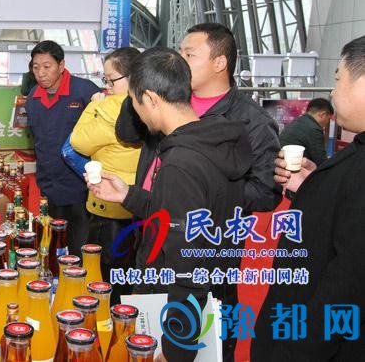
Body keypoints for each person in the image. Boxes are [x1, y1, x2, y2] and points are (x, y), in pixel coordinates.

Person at [89, 47, 251, 362]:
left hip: (179, 316)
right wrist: (129, 196)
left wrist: (176, 348)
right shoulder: (215, 143)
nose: (136, 112)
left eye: (134, 102)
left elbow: (186, 266)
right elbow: (190, 218)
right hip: (211, 296)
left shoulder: (181, 163)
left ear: (150, 98)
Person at [253, 36, 365, 361]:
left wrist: (295, 351)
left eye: (338, 79)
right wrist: (314, 185)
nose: (333, 93)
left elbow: (348, 282)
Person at [116, 23, 282, 215]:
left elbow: (266, 192)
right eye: (179, 52)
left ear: (219, 63)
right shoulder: (171, 97)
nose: (179, 60)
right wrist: (139, 87)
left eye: (189, 55)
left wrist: (196, 188)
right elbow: (127, 134)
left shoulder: (253, 121)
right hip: (146, 215)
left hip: (199, 225)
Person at [69, 46, 141, 303]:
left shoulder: (110, 108)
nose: (107, 86)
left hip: (109, 207)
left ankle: (105, 320)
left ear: (132, 77)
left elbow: (78, 142)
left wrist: (93, 106)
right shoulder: (148, 104)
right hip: (140, 203)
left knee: (103, 276)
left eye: (111, 80)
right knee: (130, 272)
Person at [25, 40, 99, 255]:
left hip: (81, 187)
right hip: (50, 186)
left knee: (80, 248)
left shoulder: (85, 91)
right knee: (54, 246)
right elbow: (38, 140)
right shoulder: (33, 97)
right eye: (36, 67)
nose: (40, 73)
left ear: (61, 65)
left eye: (46, 66)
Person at [278, 97, 334, 166]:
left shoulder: (299, 121)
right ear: (323, 115)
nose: (327, 122)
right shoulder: (314, 129)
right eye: (328, 119)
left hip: (282, 163)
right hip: (293, 166)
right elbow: (321, 162)